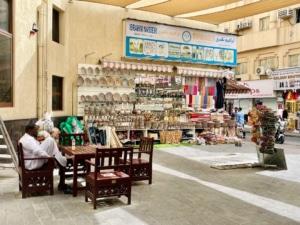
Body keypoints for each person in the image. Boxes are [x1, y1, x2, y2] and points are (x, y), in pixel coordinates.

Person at [19, 122, 71, 194]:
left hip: (31, 160)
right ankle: (61, 162)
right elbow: (37, 151)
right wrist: (49, 158)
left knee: (51, 143)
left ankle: (60, 161)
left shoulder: (26, 138)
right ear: (30, 131)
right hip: (32, 163)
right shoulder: (28, 140)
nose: (37, 131)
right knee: (50, 141)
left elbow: (36, 147)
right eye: (35, 130)